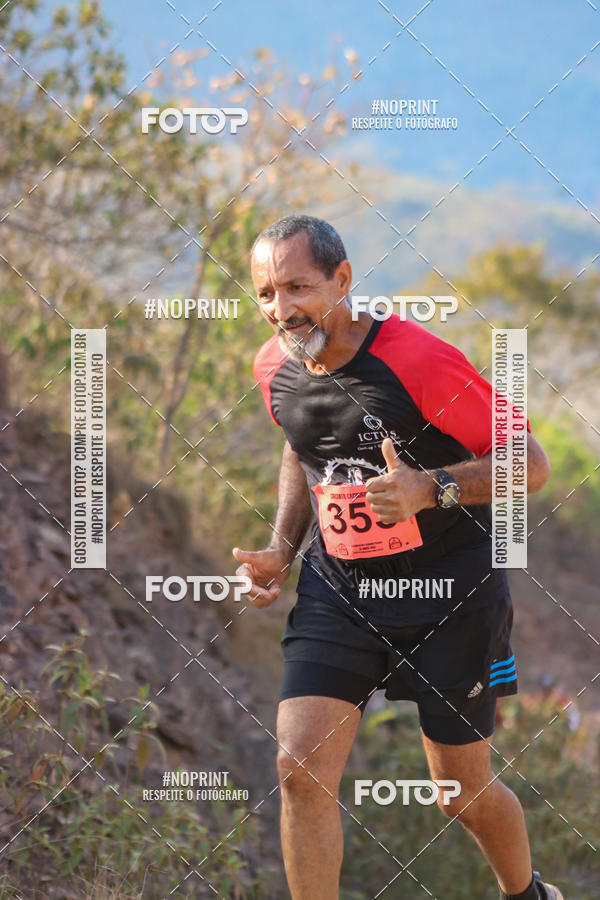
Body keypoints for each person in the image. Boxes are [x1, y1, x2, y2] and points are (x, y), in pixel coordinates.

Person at [233, 215, 562, 900]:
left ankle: (527, 893)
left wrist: (432, 488)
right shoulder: (274, 366)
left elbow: (529, 464)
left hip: (452, 598)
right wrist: (280, 550)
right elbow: (302, 446)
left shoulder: (416, 360)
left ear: (343, 280)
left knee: (459, 794)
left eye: (298, 287)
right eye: (265, 293)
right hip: (340, 594)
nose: (281, 310)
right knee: (299, 769)